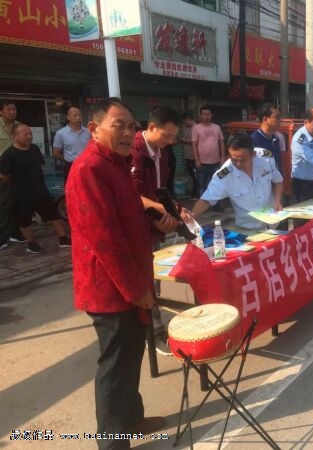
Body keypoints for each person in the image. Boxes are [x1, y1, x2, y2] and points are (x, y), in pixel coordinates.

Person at [65, 97, 177, 450]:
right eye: (119, 126)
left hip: (130, 281)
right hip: (110, 289)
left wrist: (157, 226)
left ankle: (131, 420)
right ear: (94, 129)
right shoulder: (89, 169)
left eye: (131, 126)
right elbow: (106, 239)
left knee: (130, 357)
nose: (128, 133)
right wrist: (136, 289)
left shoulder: (118, 165)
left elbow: (128, 222)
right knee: (115, 368)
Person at [130, 105, 181, 355]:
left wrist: (173, 210)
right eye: (166, 135)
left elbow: (161, 190)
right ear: (151, 127)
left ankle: (150, 327)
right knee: (145, 283)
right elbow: (133, 196)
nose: (170, 141)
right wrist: (167, 210)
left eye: (173, 137)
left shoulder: (162, 153)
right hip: (136, 226)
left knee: (153, 279)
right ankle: (154, 333)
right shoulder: (135, 152)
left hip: (154, 223)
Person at [0, 124, 71, 254]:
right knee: (24, 220)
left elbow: (39, 166)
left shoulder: (34, 149)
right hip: (22, 193)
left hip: (40, 189)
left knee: (53, 214)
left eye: (30, 134)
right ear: (15, 136)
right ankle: (31, 243)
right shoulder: (9, 154)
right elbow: (4, 176)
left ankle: (63, 238)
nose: (29, 136)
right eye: (25, 134)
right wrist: (16, 184)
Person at [191, 132, 283, 230]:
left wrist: (277, 201)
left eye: (242, 160)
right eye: (234, 160)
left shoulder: (265, 158)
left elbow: (278, 181)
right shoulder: (225, 175)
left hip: (273, 223)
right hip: (248, 228)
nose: (238, 164)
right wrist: (191, 216)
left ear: (253, 154)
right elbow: (206, 200)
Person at [0, 99, 26, 249]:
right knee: (3, 205)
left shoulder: (19, 126)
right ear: (1, 111)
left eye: (14, 109)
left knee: (19, 203)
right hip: (2, 172)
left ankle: (16, 233)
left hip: (18, 171)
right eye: (8, 109)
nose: (12, 112)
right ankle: (2, 237)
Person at [192, 106, 225, 199]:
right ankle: (203, 204)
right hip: (202, 163)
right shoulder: (196, 128)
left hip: (216, 162)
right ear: (200, 115)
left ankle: (216, 204)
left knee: (216, 184)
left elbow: (221, 143)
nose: (206, 116)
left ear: (211, 115)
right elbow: (194, 145)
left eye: (208, 114)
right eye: (204, 114)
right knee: (201, 185)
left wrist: (222, 158)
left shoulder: (217, 127)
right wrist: (197, 160)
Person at [52, 105, 91, 184]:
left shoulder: (88, 132)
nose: (78, 118)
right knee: (72, 188)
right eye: (75, 115)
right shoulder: (61, 133)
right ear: (68, 117)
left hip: (88, 165)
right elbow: (56, 153)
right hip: (71, 166)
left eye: (79, 115)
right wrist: (68, 158)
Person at [251, 103, 285, 173]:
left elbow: (278, 165)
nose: (280, 120)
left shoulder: (276, 139)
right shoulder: (253, 140)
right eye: (277, 117)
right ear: (265, 119)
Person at [178, 112, 197, 196]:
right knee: (191, 174)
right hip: (188, 155)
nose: (184, 124)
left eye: (185, 122)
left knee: (194, 175)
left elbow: (195, 142)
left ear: (188, 119)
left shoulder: (195, 128)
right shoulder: (187, 128)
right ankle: (193, 190)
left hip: (193, 156)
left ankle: (196, 191)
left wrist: (183, 140)